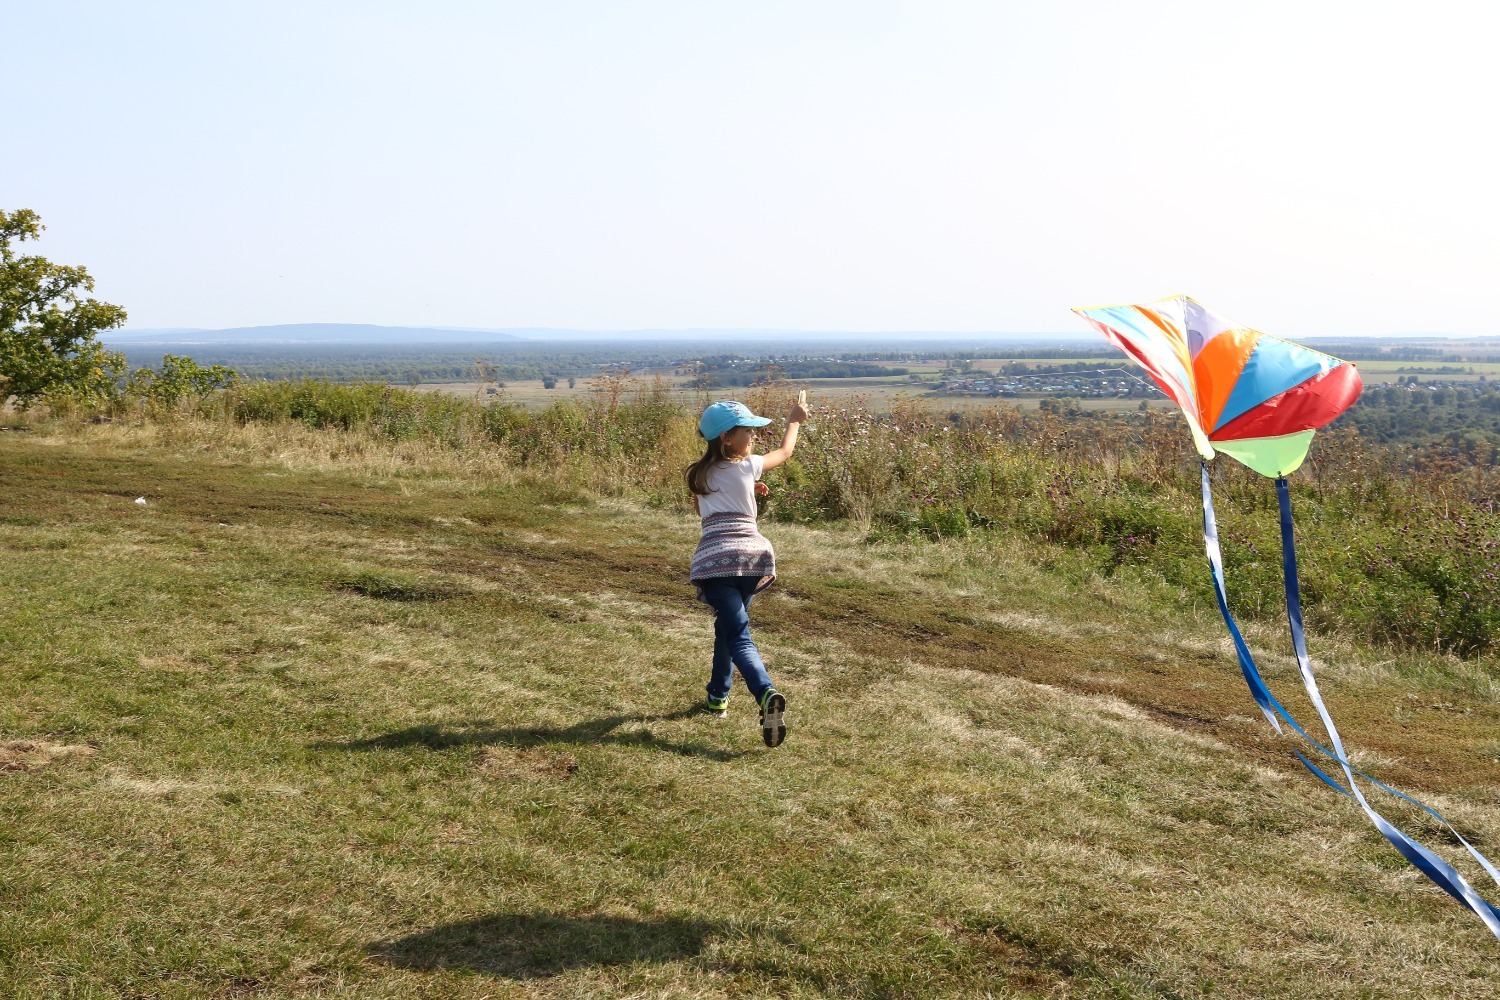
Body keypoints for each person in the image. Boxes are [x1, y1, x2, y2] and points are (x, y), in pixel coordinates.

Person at [686, 394, 808, 748]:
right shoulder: (747, 467)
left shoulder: (698, 474)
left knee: (737, 633)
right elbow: (785, 452)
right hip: (753, 559)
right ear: (726, 438)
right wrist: (795, 421)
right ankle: (717, 697)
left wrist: (742, 490)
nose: (754, 437)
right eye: (748, 431)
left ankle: (765, 693)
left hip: (717, 563)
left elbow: (704, 510)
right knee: (729, 628)